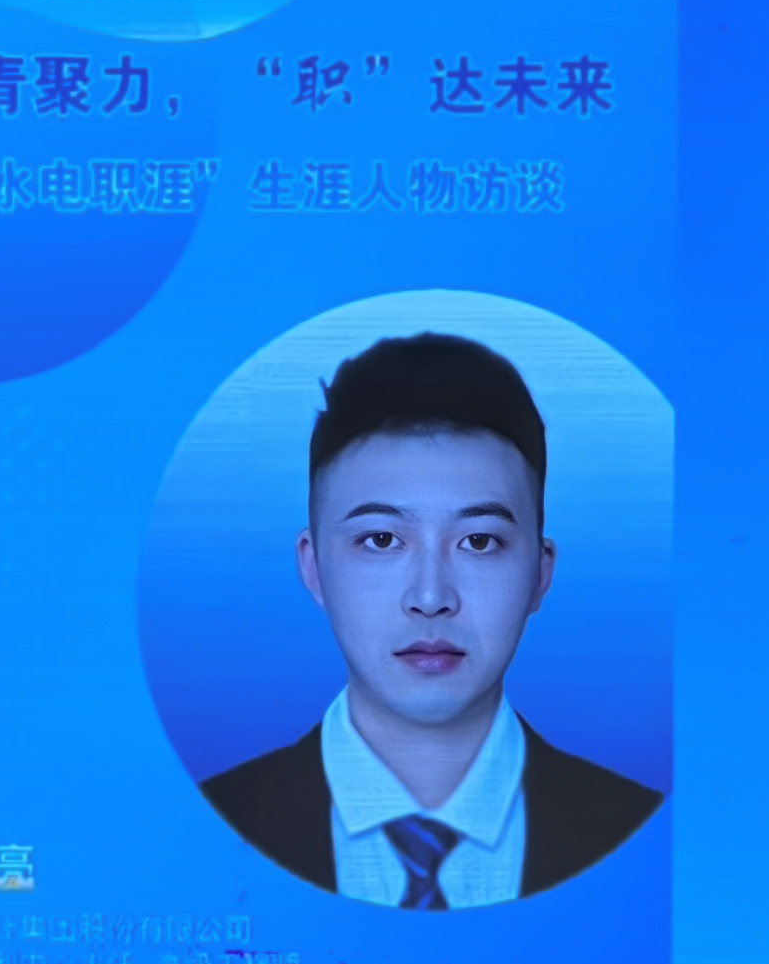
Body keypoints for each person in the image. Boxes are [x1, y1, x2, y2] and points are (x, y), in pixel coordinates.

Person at [195, 331, 664, 906]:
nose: (431, 596)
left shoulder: (650, 836)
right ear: (313, 568)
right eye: (381, 539)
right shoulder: (202, 828)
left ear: (540, 574)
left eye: (479, 542)